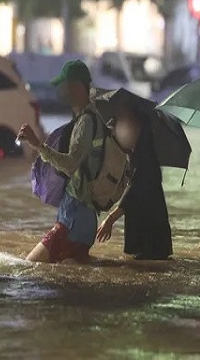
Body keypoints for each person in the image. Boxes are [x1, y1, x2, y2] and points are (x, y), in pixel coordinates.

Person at [18, 60, 99, 264]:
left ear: (77, 87)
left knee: (28, 268)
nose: (61, 90)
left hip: (72, 222)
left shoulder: (85, 122)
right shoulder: (87, 118)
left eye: (65, 85)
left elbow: (72, 165)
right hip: (81, 221)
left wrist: (38, 145)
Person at [96, 107, 173, 260]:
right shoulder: (137, 158)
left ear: (139, 129)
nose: (122, 130)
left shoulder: (147, 162)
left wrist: (110, 219)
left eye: (126, 125)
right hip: (148, 242)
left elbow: (133, 193)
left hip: (151, 244)